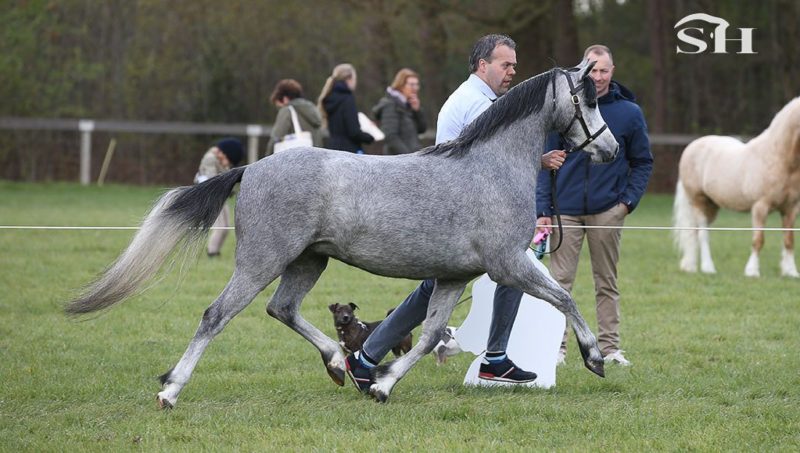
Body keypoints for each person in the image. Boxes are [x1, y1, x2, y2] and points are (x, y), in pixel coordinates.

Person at [345, 34, 566, 393]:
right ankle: (495, 358)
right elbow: (493, 162)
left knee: (433, 290)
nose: (513, 71)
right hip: (459, 212)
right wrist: (538, 162)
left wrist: (537, 161)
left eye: (514, 65)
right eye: (506, 64)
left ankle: (366, 358)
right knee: (511, 269)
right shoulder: (477, 104)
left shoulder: (478, 99)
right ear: (483, 65)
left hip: (458, 209)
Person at [535, 44, 653, 366]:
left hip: (608, 210)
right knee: (558, 283)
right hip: (565, 210)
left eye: (603, 70)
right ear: (583, 71)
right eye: (593, 70)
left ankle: (610, 349)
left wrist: (627, 202)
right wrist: (543, 209)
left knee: (606, 282)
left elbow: (642, 162)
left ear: (612, 72)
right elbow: (545, 162)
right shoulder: (563, 108)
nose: (598, 77)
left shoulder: (630, 113)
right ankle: (554, 348)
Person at [194, 138, 244, 257]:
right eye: (229, 160)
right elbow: (213, 180)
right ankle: (212, 252)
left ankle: (216, 250)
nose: (229, 164)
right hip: (212, 198)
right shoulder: (210, 158)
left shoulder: (219, 160)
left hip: (220, 198)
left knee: (225, 227)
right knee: (220, 227)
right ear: (224, 154)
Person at [317, 63, 374, 153]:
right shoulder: (347, 98)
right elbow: (353, 132)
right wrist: (370, 137)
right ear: (349, 79)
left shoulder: (328, 97)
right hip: (349, 151)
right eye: (355, 79)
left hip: (333, 149)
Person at [372, 68, 427, 155]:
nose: (415, 88)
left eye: (417, 85)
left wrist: (417, 111)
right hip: (398, 160)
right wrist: (408, 157)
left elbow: (422, 129)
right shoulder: (390, 105)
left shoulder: (408, 105)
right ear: (401, 85)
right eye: (412, 85)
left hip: (412, 158)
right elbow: (391, 136)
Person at [265, 79, 324, 156]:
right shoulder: (312, 109)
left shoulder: (287, 110)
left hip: (297, 159)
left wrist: (266, 158)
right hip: (317, 157)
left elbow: (276, 137)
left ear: (285, 99)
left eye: (279, 106)